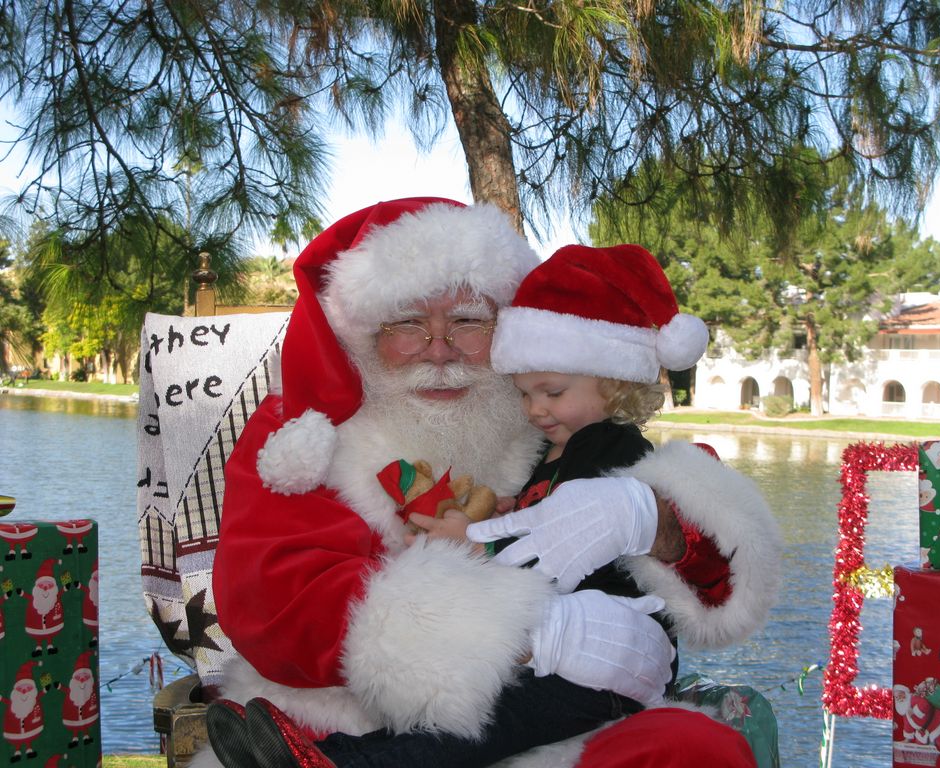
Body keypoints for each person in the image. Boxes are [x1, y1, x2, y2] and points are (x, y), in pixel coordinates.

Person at [198, 197, 782, 768]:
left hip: (549, 718)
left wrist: (651, 519)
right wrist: (532, 629)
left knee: (699, 751)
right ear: (363, 334)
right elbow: (276, 603)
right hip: (342, 722)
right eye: (407, 324)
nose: (440, 349)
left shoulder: (537, 414)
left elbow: (719, 579)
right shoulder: (302, 438)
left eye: (468, 322)